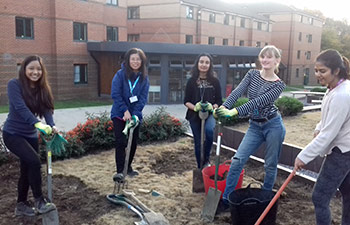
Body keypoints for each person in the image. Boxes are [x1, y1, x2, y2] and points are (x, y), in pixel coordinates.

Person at [215, 45, 286, 211]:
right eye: (263, 57)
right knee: (237, 160)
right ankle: (226, 200)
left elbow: (258, 102)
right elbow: (238, 91)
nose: (265, 60)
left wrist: (235, 111)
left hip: (272, 125)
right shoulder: (252, 74)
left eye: (269, 57)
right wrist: (224, 108)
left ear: (277, 61)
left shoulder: (279, 85)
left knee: (270, 165)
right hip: (255, 126)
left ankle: (265, 199)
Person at [294, 49, 350, 225]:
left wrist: (303, 156)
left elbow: (329, 134)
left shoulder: (342, 95)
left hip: (342, 152)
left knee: (319, 197)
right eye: (316, 70)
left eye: (322, 71)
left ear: (336, 71)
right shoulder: (334, 88)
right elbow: (328, 119)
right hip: (345, 149)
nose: (318, 75)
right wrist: (319, 126)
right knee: (348, 193)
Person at [2, 55, 57, 216]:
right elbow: (20, 108)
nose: (35, 72)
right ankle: (39, 201)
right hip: (13, 134)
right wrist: (37, 124)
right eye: (31, 68)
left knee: (26, 169)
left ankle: (21, 205)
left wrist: (51, 125)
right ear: (24, 69)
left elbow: (47, 108)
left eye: (38, 69)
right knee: (34, 162)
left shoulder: (42, 88)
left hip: (30, 135)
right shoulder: (14, 85)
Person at [111, 48, 150, 181]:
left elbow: (143, 98)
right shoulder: (120, 75)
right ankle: (120, 171)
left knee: (133, 142)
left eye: (138, 59)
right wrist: (125, 111)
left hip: (134, 115)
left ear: (142, 61)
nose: (135, 62)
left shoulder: (144, 78)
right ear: (128, 60)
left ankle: (128, 167)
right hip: (119, 114)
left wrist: (135, 114)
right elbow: (115, 94)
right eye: (133, 59)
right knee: (121, 142)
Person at [184, 53, 222, 169]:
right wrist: (195, 107)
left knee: (209, 131)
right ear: (197, 64)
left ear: (210, 65)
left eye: (207, 62)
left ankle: (206, 160)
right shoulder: (191, 81)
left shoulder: (215, 81)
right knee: (198, 140)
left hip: (210, 114)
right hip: (194, 115)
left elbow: (219, 100)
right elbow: (186, 101)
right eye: (201, 62)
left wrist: (212, 106)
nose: (204, 65)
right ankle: (200, 165)